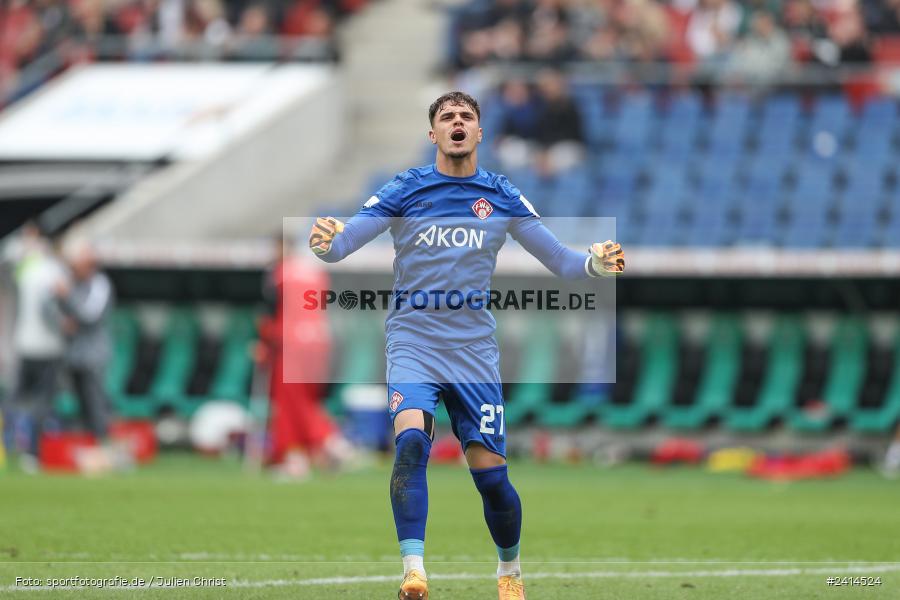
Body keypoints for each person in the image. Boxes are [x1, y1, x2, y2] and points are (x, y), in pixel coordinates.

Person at [308, 91, 625, 600]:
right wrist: (327, 239)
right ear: (432, 134)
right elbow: (344, 243)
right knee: (411, 442)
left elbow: (562, 262)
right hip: (413, 340)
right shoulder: (407, 188)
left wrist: (593, 263)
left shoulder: (501, 196)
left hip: (473, 351)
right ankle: (414, 570)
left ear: (480, 133)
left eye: (466, 117)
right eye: (447, 117)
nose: (457, 123)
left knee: (492, 478)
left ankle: (510, 572)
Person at [257, 234, 354, 480]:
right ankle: (324, 446)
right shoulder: (315, 272)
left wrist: (264, 343)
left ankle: (307, 452)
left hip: (290, 344)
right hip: (319, 343)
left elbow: (272, 310)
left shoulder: (279, 273)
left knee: (289, 403)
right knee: (306, 401)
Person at [3, 222, 67, 471]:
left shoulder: (25, 267)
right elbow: (51, 308)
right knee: (41, 401)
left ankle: (10, 448)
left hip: (23, 343)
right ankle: (31, 453)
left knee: (15, 399)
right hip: (48, 347)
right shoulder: (52, 270)